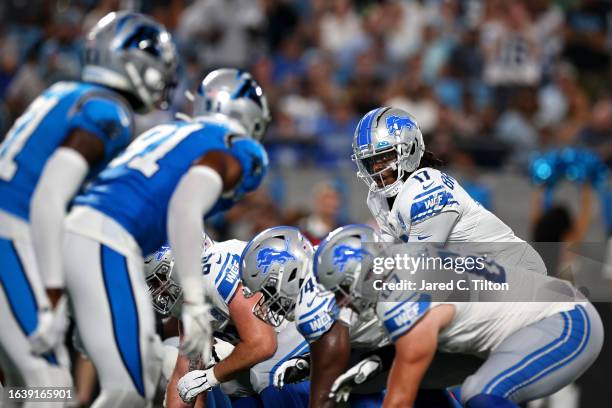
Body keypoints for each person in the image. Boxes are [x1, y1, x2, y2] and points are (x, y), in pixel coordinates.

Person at [61, 68, 270, 407]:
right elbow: (185, 207)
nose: (158, 290)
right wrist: (191, 299)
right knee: (132, 381)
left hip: (68, 232)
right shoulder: (234, 147)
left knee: (40, 379)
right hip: (105, 243)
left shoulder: (166, 133)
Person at [0, 11, 177, 402]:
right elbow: (48, 196)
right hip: (8, 233)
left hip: (13, 229)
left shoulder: (62, 92)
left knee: (18, 387)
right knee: (50, 384)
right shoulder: (107, 110)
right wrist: (51, 296)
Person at [314, 224, 604, 408]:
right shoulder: (404, 266)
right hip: (519, 326)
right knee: (418, 380)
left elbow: (399, 400)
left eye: (342, 291)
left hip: (564, 318)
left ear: (364, 275)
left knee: (481, 392)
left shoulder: (403, 292)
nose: (342, 302)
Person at [354, 107, 546, 275]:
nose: (376, 169)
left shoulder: (428, 190)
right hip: (476, 274)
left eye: (384, 158)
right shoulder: (378, 197)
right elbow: (385, 258)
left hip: (517, 271)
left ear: (409, 149)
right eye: (369, 162)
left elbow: (418, 270)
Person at [144, 235, 309, 408]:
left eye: (159, 279)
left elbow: (262, 344)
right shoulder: (191, 298)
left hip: (303, 330)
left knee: (262, 372)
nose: (157, 292)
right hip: (275, 342)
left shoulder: (217, 271)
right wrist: (203, 380)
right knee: (233, 384)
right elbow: (185, 378)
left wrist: (210, 377)